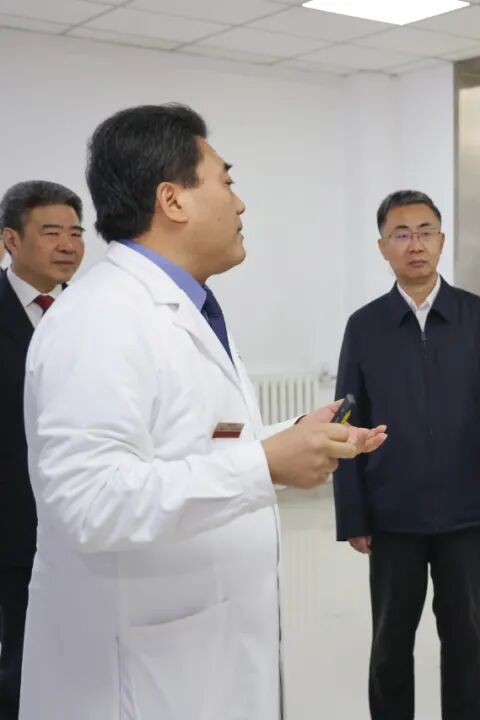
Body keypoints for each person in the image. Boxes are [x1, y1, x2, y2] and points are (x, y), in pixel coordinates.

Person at [19, 103, 387, 719]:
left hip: (206, 651)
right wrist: (265, 465)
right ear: (173, 200)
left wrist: (291, 436)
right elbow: (89, 503)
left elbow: (195, 443)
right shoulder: (101, 319)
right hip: (138, 676)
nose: (240, 204)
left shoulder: (186, 306)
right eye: (226, 181)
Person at [334, 189, 480, 720]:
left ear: (442, 240)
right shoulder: (365, 325)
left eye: (425, 232)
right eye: (401, 234)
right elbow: (346, 424)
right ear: (382, 246)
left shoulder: (479, 317)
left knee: (464, 638)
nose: (414, 245)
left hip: (464, 512)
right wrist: (353, 514)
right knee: (390, 643)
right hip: (392, 513)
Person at [0, 180, 86, 719]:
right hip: (11, 518)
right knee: (19, 655)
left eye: (76, 232)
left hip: (80, 517)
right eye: (52, 232)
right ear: (11, 239)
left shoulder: (91, 312)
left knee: (75, 652)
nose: (69, 245)